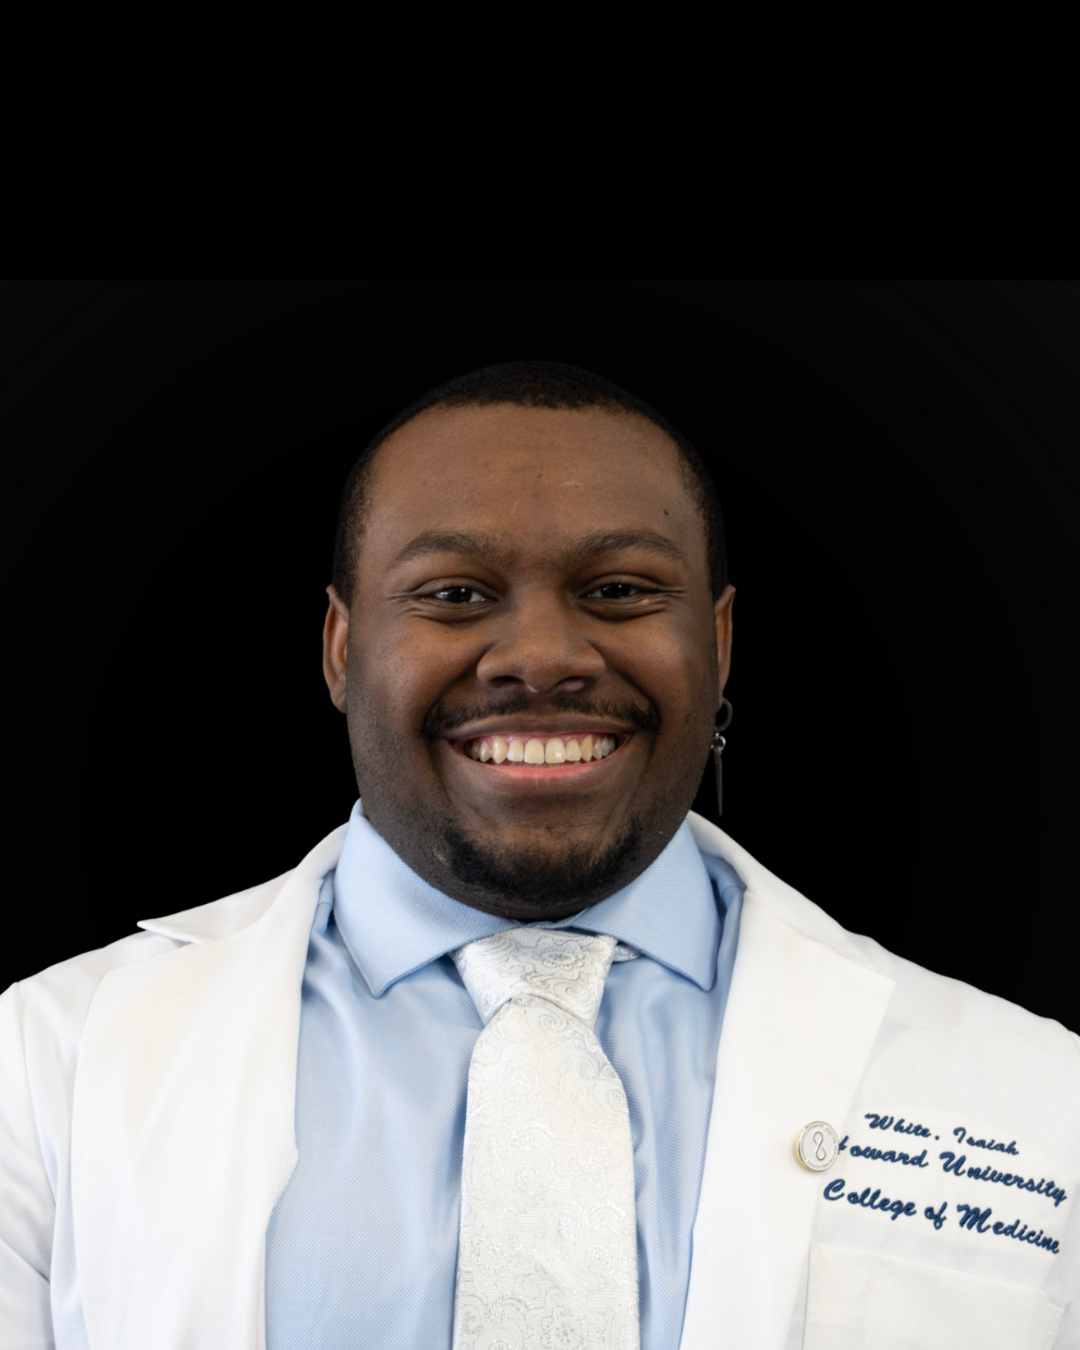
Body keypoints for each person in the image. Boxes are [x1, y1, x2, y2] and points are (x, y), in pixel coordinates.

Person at [1, 361, 1077, 1350]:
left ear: (718, 643)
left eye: (618, 590)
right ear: (342, 647)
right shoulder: (46, 1066)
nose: (542, 658)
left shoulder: (1038, 1091)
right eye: (455, 594)